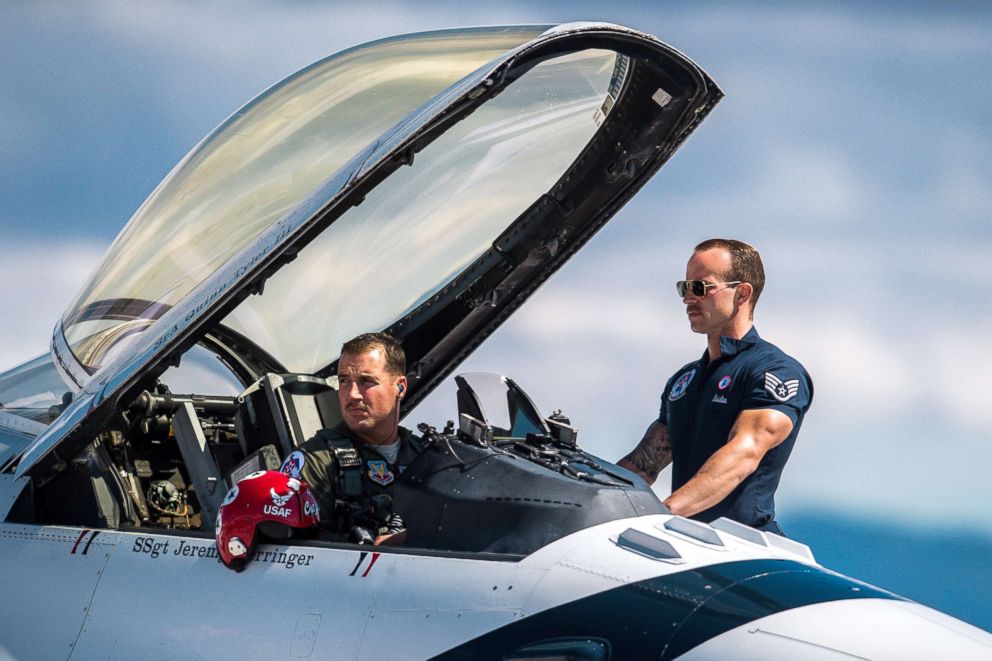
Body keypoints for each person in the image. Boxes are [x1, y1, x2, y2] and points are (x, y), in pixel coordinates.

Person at [618, 239, 812, 534]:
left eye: (701, 288)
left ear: (742, 293)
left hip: (743, 552)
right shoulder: (683, 381)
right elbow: (641, 466)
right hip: (683, 542)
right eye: (684, 288)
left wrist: (663, 514)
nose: (688, 298)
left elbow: (744, 454)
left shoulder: (776, 370)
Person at [280, 332, 421, 545]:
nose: (352, 394)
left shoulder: (425, 457)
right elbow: (296, 558)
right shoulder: (314, 462)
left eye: (366, 381)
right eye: (345, 381)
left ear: (400, 387)